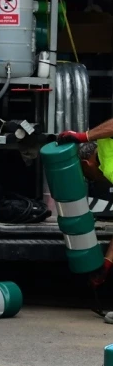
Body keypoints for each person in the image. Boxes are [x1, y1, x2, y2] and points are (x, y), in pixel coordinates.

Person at [58, 121, 113, 287]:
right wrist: (107, 263)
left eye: (86, 176)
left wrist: (83, 136)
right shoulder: (105, 144)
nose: (91, 180)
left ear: (85, 164)